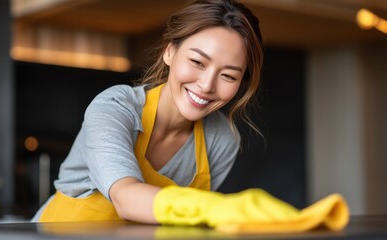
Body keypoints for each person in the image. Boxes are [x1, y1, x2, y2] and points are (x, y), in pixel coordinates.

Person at [33, 0, 349, 233]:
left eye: (228, 75)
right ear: (170, 52)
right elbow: (127, 199)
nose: (207, 85)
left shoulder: (221, 139)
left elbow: (175, 228)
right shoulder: (115, 107)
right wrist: (218, 207)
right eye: (197, 61)